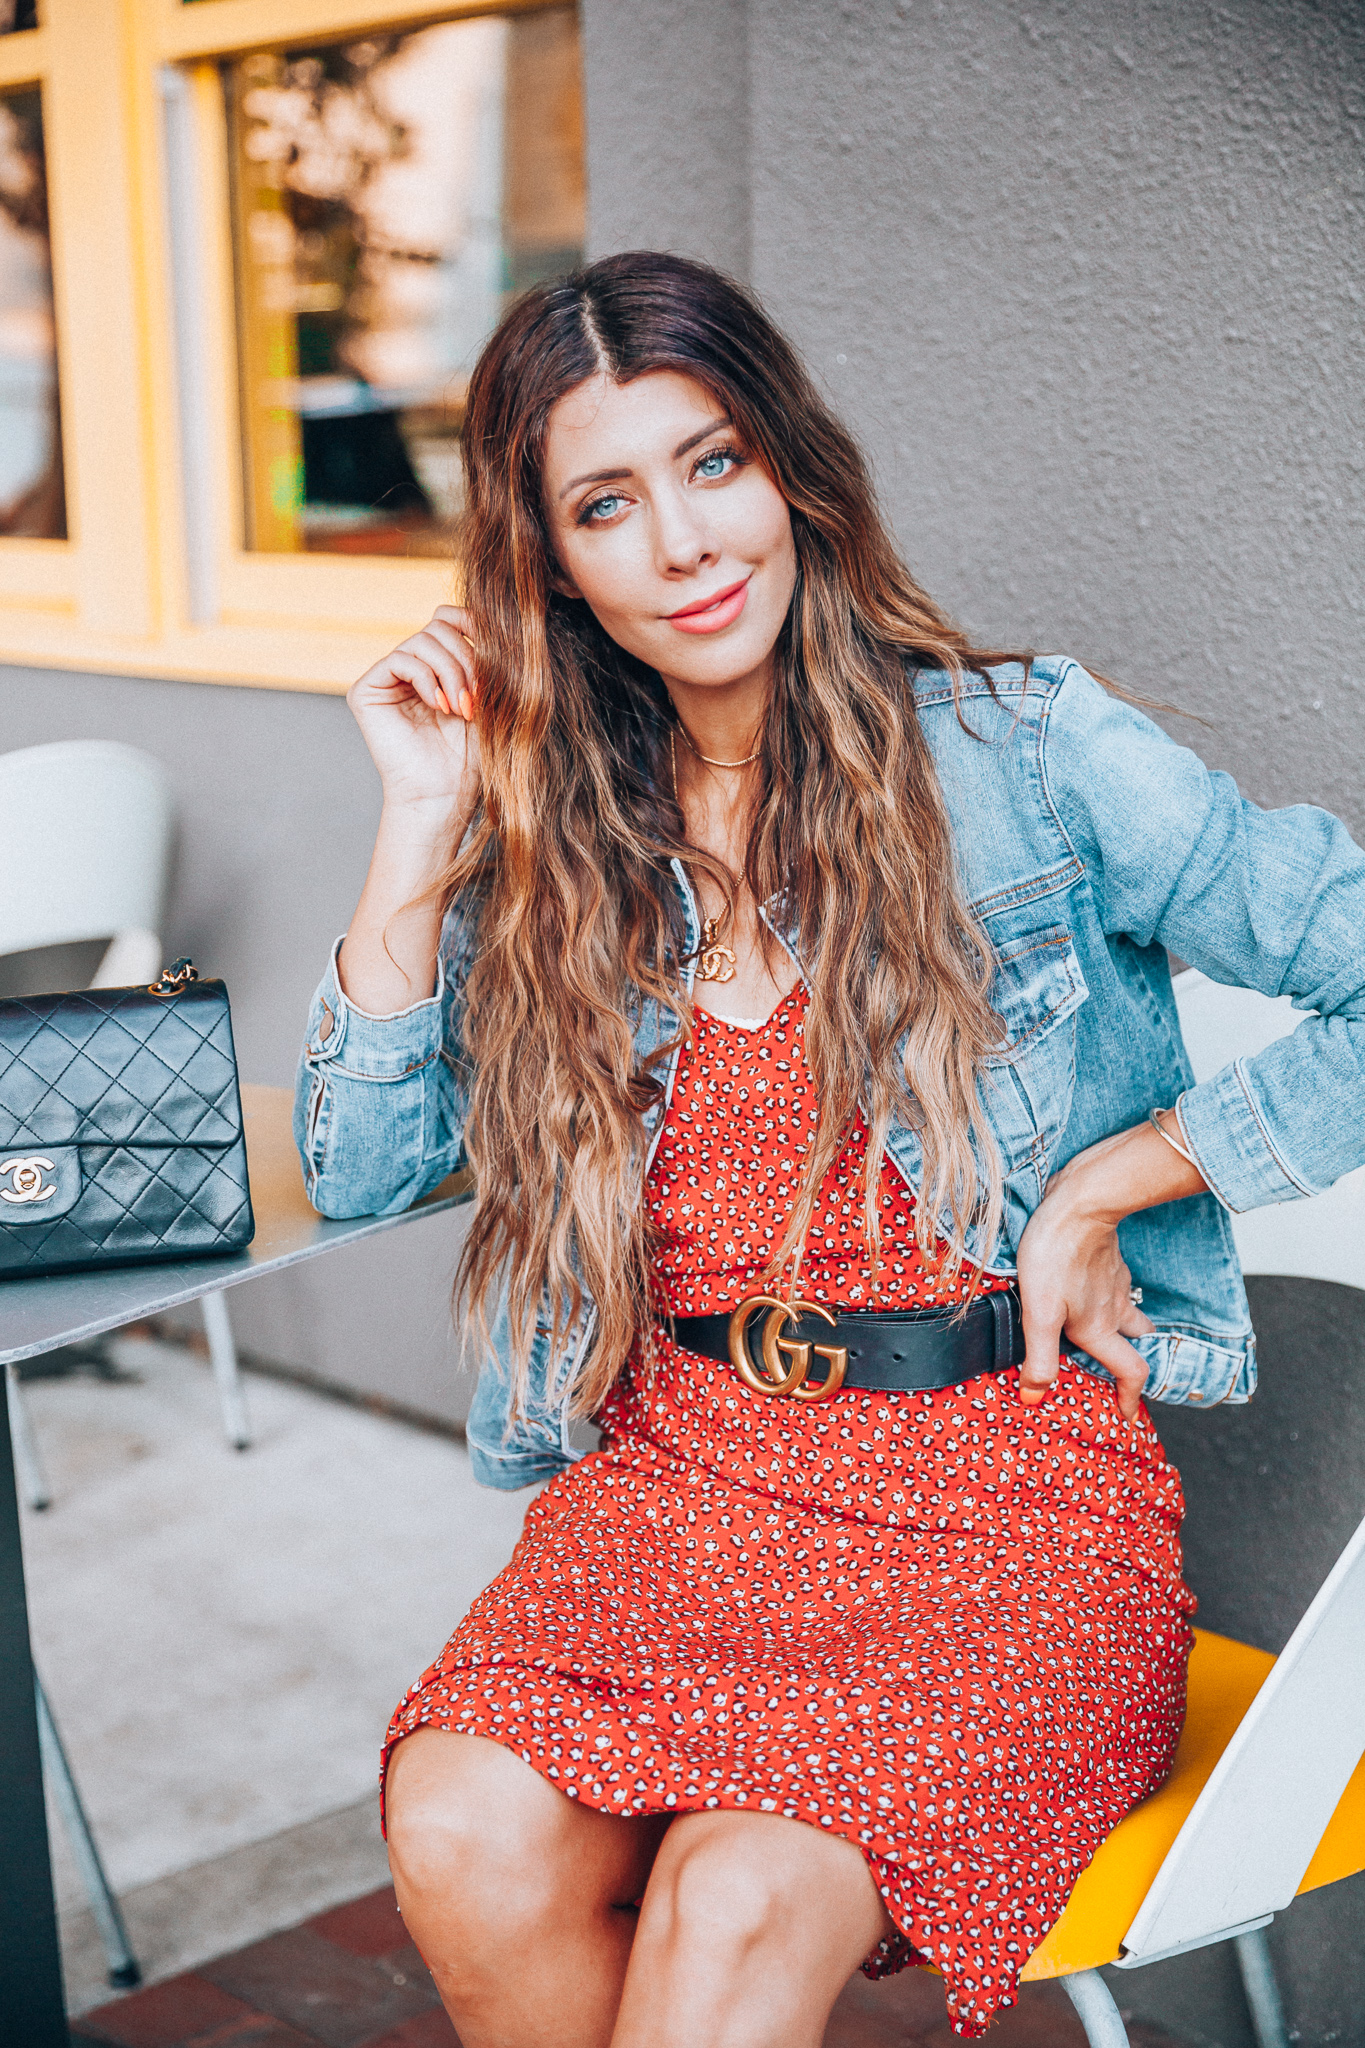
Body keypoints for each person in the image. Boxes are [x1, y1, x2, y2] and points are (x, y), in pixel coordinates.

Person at [294, 251, 1365, 2046]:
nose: (685, 542)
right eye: (607, 504)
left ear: (789, 467)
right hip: (677, 1484)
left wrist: (1123, 1176)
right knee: (458, 1821)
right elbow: (361, 1167)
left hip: (996, 1510)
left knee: (729, 1895)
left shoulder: (1028, 757)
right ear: (549, 561)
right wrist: (417, 830)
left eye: (712, 463)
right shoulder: (553, 837)